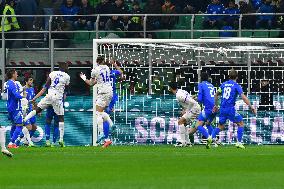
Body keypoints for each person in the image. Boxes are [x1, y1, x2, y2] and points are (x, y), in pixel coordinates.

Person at [24, 62, 70, 147]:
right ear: (65, 67)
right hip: (58, 99)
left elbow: (44, 88)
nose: (68, 68)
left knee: (39, 112)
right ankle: (60, 140)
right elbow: (65, 91)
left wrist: (34, 98)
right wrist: (62, 101)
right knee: (60, 119)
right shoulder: (67, 76)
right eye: (67, 67)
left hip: (49, 96)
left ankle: (25, 119)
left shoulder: (52, 74)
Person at [212, 69, 257, 149]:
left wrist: (215, 105)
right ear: (236, 77)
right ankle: (239, 142)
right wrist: (251, 106)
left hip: (222, 108)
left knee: (220, 126)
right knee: (241, 124)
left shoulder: (223, 85)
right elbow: (243, 97)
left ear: (229, 76)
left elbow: (216, 95)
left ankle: (210, 138)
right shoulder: (236, 86)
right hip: (230, 109)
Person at [80, 57, 114, 147]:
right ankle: (111, 124)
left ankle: (102, 133)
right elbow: (99, 80)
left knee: (97, 113)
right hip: (110, 92)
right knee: (101, 112)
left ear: (97, 62)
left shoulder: (95, 70)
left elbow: (91, 83)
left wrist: (83, 78)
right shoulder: (107, 68)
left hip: (102, 92)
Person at [99, 60, 124, 147]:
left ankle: (106, 139)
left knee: (103, 117)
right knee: (103, 116)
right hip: (112, 96)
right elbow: (121, 72)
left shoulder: (101, 74)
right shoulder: (113, 72)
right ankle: (106, 138)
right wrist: (115, 64)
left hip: (106, 96)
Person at [169, 82, 201, 147]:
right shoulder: (181, 91)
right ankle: (188, 142)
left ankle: (182, 142)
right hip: (195, 107)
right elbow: (190, 99)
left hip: (194, 109)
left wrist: (186, 111)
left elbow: (191, 102)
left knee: (180, 122)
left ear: (170, 88)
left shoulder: (179, 95)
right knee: (184, 123)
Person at [5, 69, 26, 149]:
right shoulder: (12, 83)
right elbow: (16, 95)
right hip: (15, 108)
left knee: (14, 125)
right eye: (16, 73)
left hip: (10, 107)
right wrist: (23, 96)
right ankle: (11, 143)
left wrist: (22, 89)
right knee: (19, 126)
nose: (17, 75)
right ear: (13, 74)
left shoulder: (7, 83)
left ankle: (12, 142)